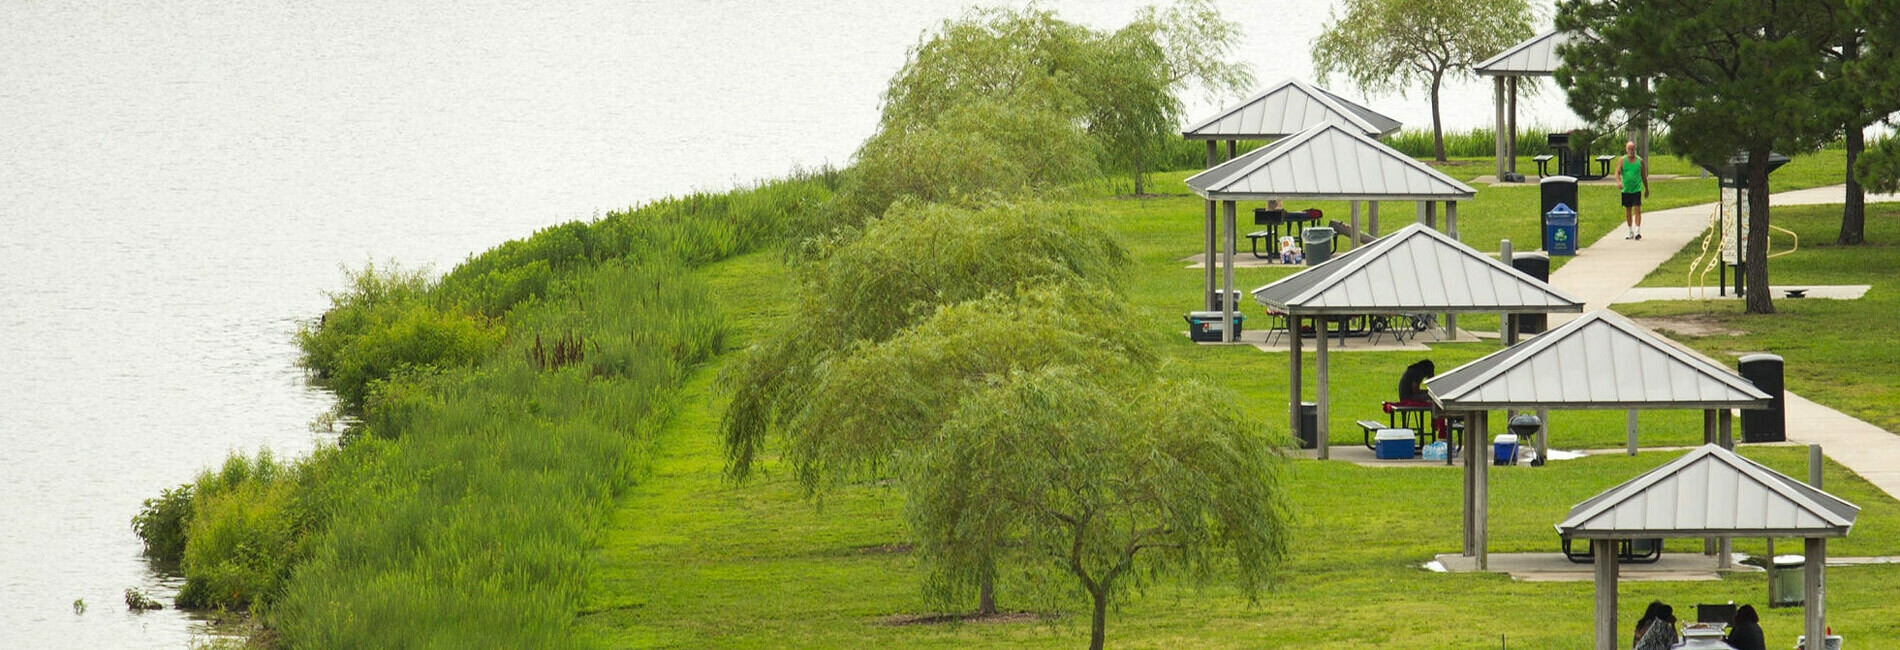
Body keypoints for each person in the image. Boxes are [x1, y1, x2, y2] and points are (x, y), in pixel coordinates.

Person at [1611, 140, 1650, 240]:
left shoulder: (1639, 161)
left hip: (1636, 189)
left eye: (1632, 149)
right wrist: (1618, 182)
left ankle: (1637, 231)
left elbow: (1643, 176)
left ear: (1635, 150)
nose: (1631, 151)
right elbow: (1617, 172)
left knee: (1637, 209)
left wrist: (1646, 188)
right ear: (1626, 150)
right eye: (1629, 149)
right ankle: (1630, 231)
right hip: (1626, 190)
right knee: (1628, 210)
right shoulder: (1622, 160)